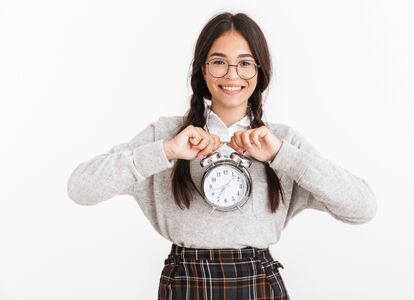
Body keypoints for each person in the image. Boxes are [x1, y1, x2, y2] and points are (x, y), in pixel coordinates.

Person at [67, 11, 377, 300]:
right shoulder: (167, 135)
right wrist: (167, 151)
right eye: (219, 61)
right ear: (203, 69)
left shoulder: (281, 142)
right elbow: (80, 188)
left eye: (245, 63)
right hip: (186, 281)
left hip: (258, 283)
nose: (232, 75)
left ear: (259, 71)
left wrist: (282, 155)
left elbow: (362, 208)